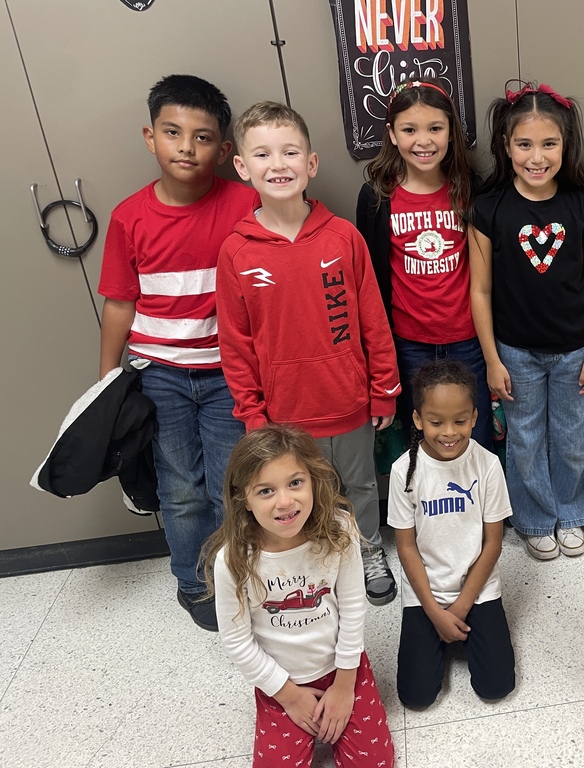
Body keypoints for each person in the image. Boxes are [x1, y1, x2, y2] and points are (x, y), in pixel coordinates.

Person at [216, 102, 401, 606]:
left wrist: (384, 390)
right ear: (242, 168)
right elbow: (235, 345)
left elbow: (373, 322)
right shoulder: (236, 251)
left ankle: (366, 550)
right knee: (301, 495)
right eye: (263, 154)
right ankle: (319, 561)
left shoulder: (343, 236)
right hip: (285, 416)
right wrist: (253, 414)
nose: (278, 165)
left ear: (311, 163)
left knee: (361, 487)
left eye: (290, 151)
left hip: (349, 403)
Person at [97, 74, 255, 631]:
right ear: (150, 136)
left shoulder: (248, 200)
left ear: (225, 149)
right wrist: (106, 383)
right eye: (173, 132)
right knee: (180, 487)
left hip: (228, 373)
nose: (186, 147)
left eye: (203, 136)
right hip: (158, 373)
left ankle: (235, 576)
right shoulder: (128, 216)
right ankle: (193, 582)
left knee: (228, 482)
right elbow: (119, 303)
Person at [469, 81, 584, 560]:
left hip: (574, 348)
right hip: (514, 349)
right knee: (526, 438)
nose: (537, 156)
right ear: (505, 146)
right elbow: (481, 289)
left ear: (565, 144)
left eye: (549, 143)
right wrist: (492, 358)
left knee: (573, 437)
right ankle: (532, 518)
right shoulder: (488, 207)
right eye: (524, 144)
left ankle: (571, 512)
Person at [207, 425, 394, 768]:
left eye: (295, 482)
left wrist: (344, 684)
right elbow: (237, 643)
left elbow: (353, 610)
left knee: (375, 764)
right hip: (281, 683)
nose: (285, 501)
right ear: (243, 500)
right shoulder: (233, 558)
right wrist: (288, 696)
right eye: (265, 490)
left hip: (344, 669)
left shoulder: (340, 531)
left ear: (313, 480)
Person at [356, 79, 492, 451]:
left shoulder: (469, 189)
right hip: (408, 344)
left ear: (451, 130)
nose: (424, 140)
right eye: (409, 129)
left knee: (474, 439)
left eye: (435, 128)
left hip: (468, 340)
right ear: (392, 134)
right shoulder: (376, 197)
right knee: (422, 441)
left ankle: (481, 508)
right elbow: (369, 282)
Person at [388, 360, 515, 707]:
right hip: (425, 591)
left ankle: (456, 632)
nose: (449, 432)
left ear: (475, 416)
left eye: (460, 421)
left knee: (495, 687)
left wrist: (459, 608)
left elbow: (493, 544)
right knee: (415, 697)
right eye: (436, 422)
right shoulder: (404, 472)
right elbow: (406, 547)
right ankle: (441, 635)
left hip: (478, 587)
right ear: (417, 420)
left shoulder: (488, 465)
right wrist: (433, 611)